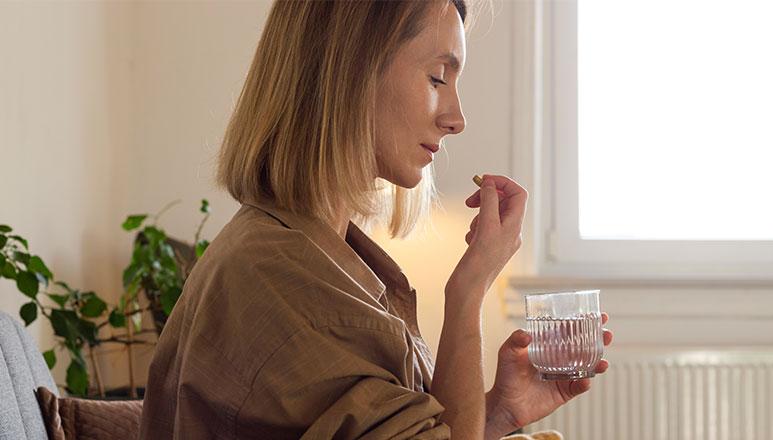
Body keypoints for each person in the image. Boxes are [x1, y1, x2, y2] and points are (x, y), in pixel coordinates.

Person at [139, 1, 613, 438]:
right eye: (436, 78)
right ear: (350, 70)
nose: (457, 117)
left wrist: (499, 413)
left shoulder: (323, 253)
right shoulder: (278, 277)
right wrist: (469, 289)